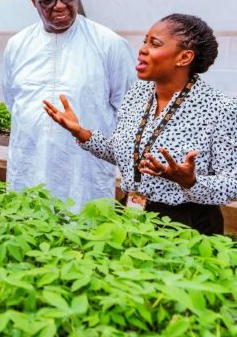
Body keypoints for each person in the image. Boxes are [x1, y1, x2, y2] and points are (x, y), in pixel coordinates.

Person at [44, 14, 237, 235]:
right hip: (131, 213)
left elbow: (233, 183)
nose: (142, 49)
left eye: (154, 43)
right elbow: (123, 154)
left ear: (184, 57)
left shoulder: (219, 108)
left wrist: (190, 182)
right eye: (145, 41)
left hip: (185, 223)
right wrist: (82, 133)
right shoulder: (137, 94)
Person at [2, 0, 136, 211]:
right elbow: (13, 104)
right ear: (34, 2)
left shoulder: (108, 43)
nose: (60, 5)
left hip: (85, 177)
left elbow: (130, 114)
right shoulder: (17, 45)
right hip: (28, 173)